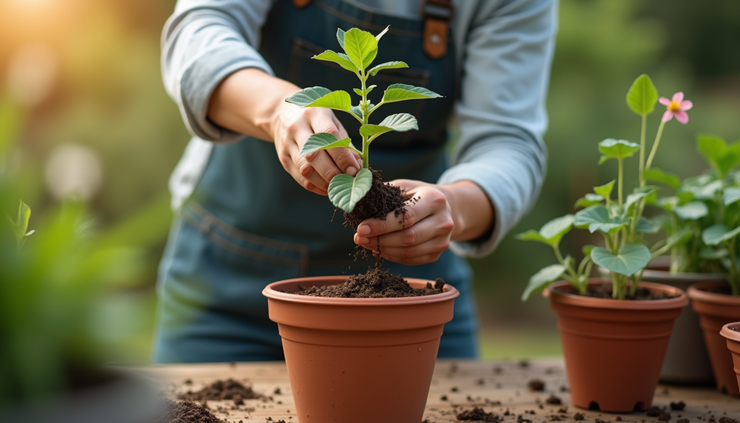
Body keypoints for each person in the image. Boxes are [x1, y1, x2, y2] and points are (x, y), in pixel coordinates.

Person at [153, 0, 556, 363]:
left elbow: (508, 141)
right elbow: (200, 29)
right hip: (227, 288)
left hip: (407, 297)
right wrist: (277, 109)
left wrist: (454, 204)